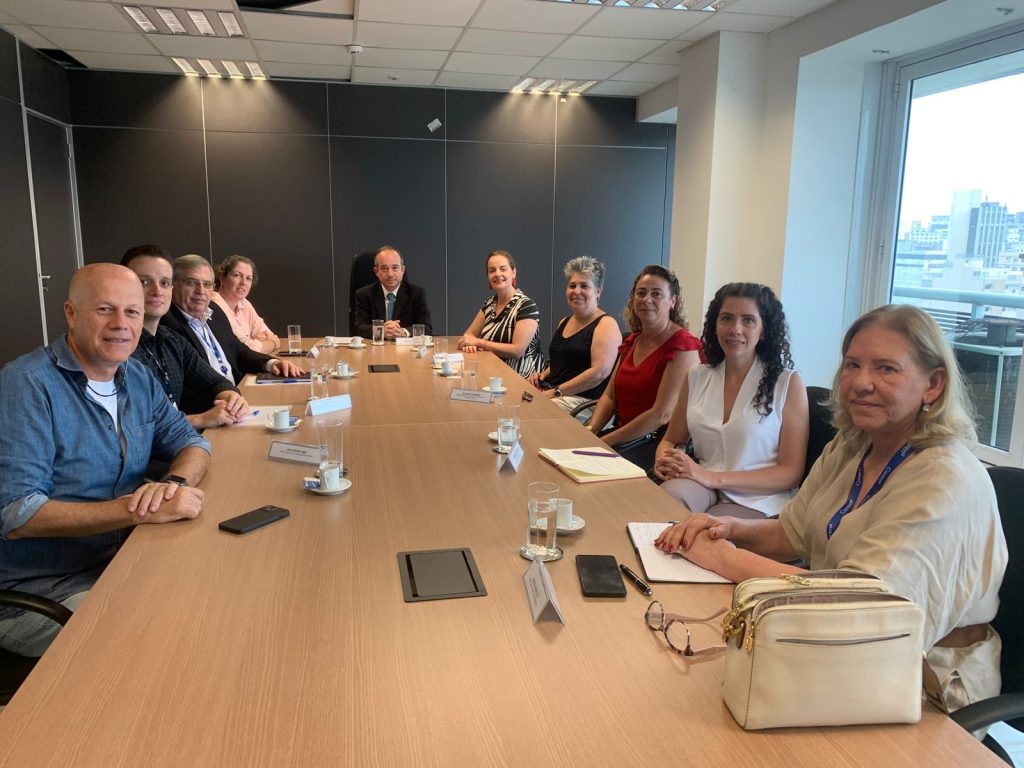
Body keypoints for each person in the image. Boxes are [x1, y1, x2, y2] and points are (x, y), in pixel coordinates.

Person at [656, 304, 1007, 712]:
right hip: (837, 649)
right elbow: (792, 533)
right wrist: (729, 528)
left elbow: (866, 610)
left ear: (933, 385)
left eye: (886, 369)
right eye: (852, 365)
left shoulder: (942, 477)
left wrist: (728, 560)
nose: (860, 383)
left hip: (925, 683)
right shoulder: (853, 444)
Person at [0, 263, 211, 657]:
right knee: (160, 648)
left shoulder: (136, 377)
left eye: (131, 311)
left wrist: (174, 486)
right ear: (70, 313)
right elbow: (17, 514)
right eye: (104, 310)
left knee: (211, 604)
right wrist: (134, 511)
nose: (121, 323)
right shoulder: (26, 384)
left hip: (125, 561)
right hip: (44, 588)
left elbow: (191, 441)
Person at [654, 283, 809, 518]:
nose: (735, 329)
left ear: (764, 329)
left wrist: (711, 477)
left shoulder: (788, 384)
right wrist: (666, 462)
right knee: (662, 505)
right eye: (726, 318)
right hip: (703, 483)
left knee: (705, 533)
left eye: (748, 320)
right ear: (715, 324)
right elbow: (671, 439)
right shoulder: (697, 375)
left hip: (758, 498)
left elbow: (790, 473)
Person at [121, 245, 251, 428]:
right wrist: (201, 419)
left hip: (183, 441)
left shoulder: (172, 340)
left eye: (164, 283)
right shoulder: (118, 348)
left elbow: (214, 381)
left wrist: (231, 398)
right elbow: (135, 425)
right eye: (144, 282)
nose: (157, 291)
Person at [588, 265, 701, 457]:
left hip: (655, 445)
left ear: (672, 301)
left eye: (656, 294)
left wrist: (605, 441)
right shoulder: (632, 340)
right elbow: (609, 396)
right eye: (641, 293)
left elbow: (661, 414)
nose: (647, 299)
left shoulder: (684, 346)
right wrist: (591, 431)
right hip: (620, 439)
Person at [160, 254, 304, 383]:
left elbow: (238, 350)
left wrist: (272, 363)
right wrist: (227, 394)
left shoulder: (213, 312)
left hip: (235, 392)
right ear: (172, 285)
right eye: (191, 282)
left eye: (207, 284)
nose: (201, 291)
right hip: (214, 404)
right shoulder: (167, 325)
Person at [529, 256, 622, 414]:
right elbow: (564, 363)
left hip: (585, 403)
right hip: (557, 394)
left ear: (598, 291)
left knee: (532, 411)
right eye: (572, 285)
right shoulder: (564, 321)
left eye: (584, 286)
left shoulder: (606, 324)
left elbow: (599, 373)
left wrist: (557, 392)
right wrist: (541, 375)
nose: (576, 291)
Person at [458, 250, 543, 377]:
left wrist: (479, 343)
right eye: (492, 270)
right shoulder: (490, 303)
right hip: (492, 373)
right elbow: (469, 335)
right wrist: (469, 345)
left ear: (513, 272)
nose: (497, 274)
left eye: (503, 269)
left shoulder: (526, 305)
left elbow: (517, 350)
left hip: (522, 378)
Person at [352, 246, 433, 340]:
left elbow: (426, 327)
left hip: (405, 351)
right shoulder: (364, 295)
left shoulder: (416, 293)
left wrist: (403, 332)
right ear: (376, 271)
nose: (390, 274)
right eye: (384, 268)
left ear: (402, 270)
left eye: (395, 268)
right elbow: (358, 328)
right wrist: (381, 330)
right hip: (375, 350)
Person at [210, 254, 280, 354]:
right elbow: (246, 349)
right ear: (222, 278)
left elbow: (267, 333)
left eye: (248, 278)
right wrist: (273, 342)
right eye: (237, 275)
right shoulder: (214, 305)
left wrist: (263, 341)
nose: (243, 282)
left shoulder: (244, 303)